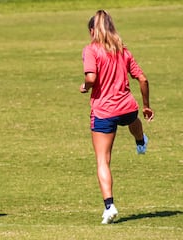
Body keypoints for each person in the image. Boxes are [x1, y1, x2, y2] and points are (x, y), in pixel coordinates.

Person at [80, 10, 154, 224]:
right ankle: (141, 141)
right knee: (133, 120)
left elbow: (91, 77)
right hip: (128, 107)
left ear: (93, 31)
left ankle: (109, 206)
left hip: (104, 111)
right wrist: (146, 106)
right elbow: (142, 78)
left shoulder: (91, 50)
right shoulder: (123, 50)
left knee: (103, 160)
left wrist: (85, 86)